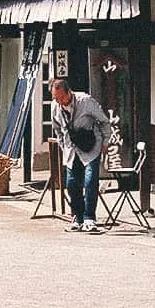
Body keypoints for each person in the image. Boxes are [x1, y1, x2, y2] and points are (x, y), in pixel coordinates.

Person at [49, 77, 111, 234]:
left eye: (62, 97)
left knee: (90, 181)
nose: (59, 101)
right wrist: (64, 147)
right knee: (71, 184)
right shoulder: (55, 106)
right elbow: (57, 129)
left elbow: (104, 121)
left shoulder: (85, 101)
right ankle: (78, 217)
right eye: (56, 98)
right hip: (71, 149)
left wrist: (105, 142)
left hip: (91, 146)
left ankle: (90, 218)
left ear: (68, 92)